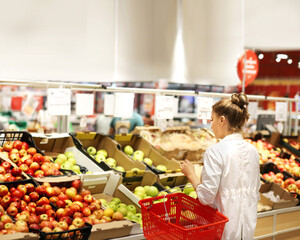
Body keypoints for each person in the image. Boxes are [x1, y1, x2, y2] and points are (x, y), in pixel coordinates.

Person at [180, 93, 260, 240]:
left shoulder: (215, 151)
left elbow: (206, 197)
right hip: (247, 230)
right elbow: (256, 190)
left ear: (222, 120)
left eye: (212, 119)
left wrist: (191, 175)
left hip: (222, 231)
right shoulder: (253, 151)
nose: (211, 125)